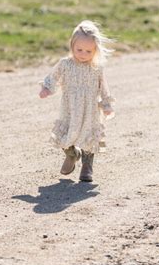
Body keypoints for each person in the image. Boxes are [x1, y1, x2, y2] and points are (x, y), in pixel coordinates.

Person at [38, 20, 116, 182]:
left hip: (90, 111)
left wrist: (107, 105)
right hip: (70, 109)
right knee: (65, 134)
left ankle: (87, 166)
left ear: (95, 51)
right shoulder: (65, 64)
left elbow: (104, 88)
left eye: (88, 51)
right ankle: (72, 154)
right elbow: (53, 76)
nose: (83, 54)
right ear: (72, 45)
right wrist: (47, 88)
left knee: (90, 136)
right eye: (79, 49)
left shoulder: (96, 68)